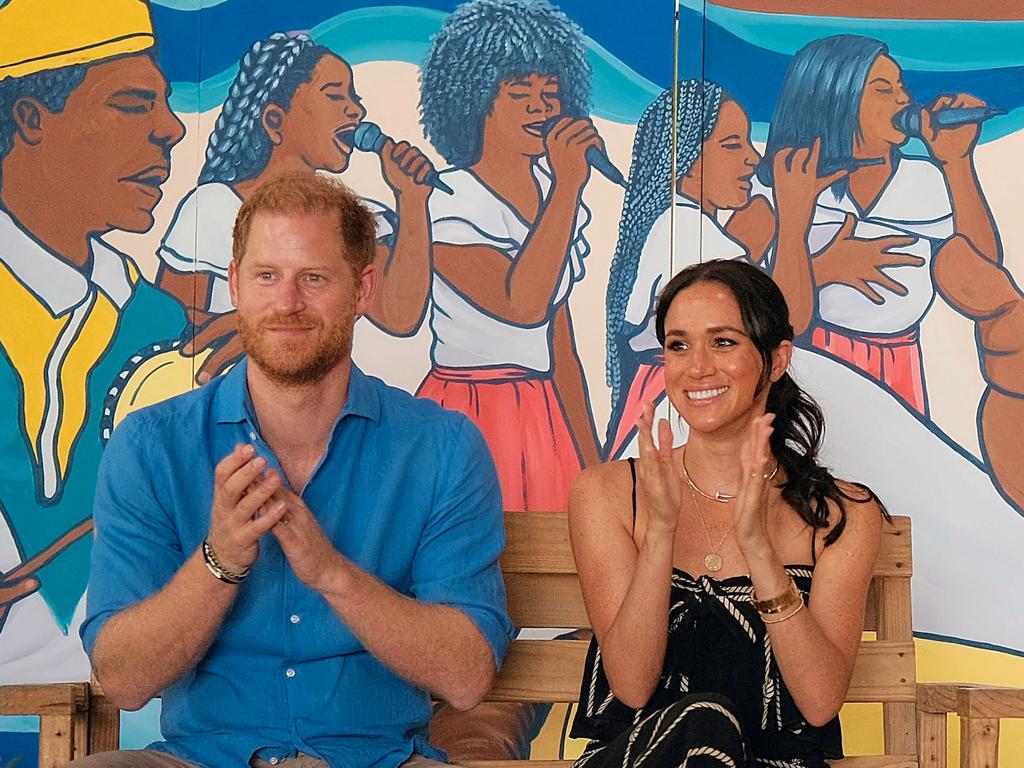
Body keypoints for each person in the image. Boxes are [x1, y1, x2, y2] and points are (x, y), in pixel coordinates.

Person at [74, 173, 513, 768]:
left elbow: (466, 678)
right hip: (201, 760)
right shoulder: (150, 446)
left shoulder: (443, 447)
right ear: (234, 284)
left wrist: (332, 573)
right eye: (266, 276)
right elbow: (123, 682)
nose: (287, 302)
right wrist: (219, 560)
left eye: (313, 278)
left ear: (362, 289)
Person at [569, 259, 887, 767]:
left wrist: (759, 549)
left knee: (713, 727)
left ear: (777, 359)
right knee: (702, 724)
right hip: (642, 757)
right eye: (678, 345)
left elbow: (820, 701)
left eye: (723, 342)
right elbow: (631, 687)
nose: (696, 367)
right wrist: (660, 534)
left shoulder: (841, 514)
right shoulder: (607, 493)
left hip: (774, 762)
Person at [0, 0, 186, 680]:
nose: (170, 130)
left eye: (164, 104)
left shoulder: (162, 326)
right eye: (134, 105)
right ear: (30, 118)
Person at [156, 31, 437, 385]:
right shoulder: (214, 206)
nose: (357, 110)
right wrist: (262, 334)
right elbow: (168, 324)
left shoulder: (358, 216)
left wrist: (411, 199)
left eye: (355, 98)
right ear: (274, 121)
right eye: (335, 95)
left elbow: (400, 315)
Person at [417, 0, 603, 512]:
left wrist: (593, 465)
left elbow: (558, 342)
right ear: (473, 100)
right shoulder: (448, 198)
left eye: (551, 93)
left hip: (544, 410)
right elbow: (522, 305)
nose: (541, 109)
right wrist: (568, 187)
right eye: (520, 94)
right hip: (469, 406)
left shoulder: (555, 190)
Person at [754, 34, 1001, 416]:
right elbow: (784, 317)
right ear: (836, 99)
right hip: (811, 361)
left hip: (898, 361)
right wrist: (821, 264)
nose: (904, 99)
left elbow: (984, 274)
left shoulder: (925, 178)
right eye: (883, 89)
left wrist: (957, 162)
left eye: (901, 86)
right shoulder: (795, 181)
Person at [603, 79, 761, 460]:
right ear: (685, 159)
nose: (754, 158)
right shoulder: (689, 231)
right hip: (683, 404)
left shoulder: (667, 223)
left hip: (655, 397)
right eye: (733, 144)